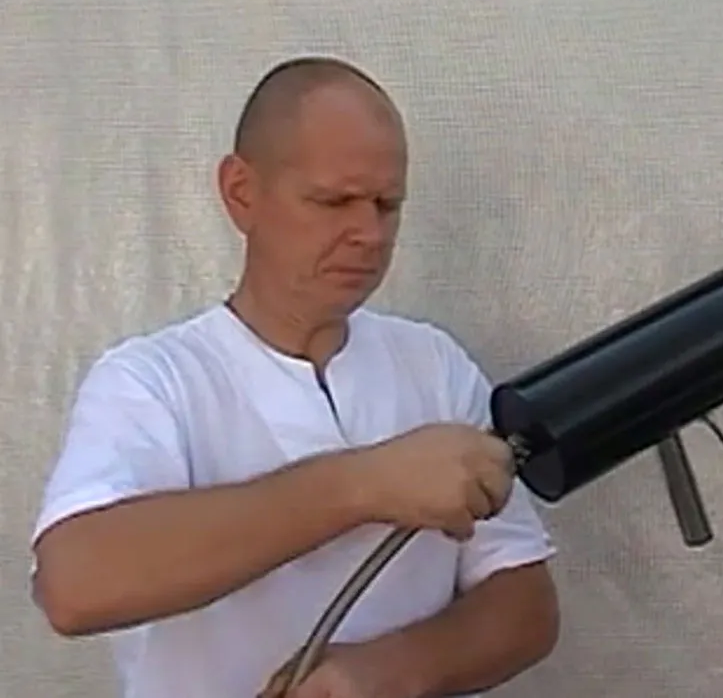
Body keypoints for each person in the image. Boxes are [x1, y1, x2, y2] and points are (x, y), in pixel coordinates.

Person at [28, 56, 561, 698]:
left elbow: (524, 601)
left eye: (387, 205)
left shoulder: (434, 364)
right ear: (241, 193)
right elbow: (75, 585)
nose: (368, 234)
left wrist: (393, 669)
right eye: (333, 201)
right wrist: (362, 484)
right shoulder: (153, 383)